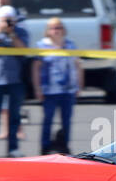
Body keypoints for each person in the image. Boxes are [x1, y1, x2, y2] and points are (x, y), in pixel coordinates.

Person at [0, 4, 28, 157]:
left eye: (10, 20)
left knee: (14, 116)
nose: (8, 23)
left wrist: (12, 33)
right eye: (5, 20)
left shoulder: (20, 32)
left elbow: (23, 51)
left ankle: (13, 148)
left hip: (15, 80)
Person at [32, 18, 81, 154]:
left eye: (59, 27)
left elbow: (77, 66)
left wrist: (79, 85)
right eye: (53, 28)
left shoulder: (70, 45)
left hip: (68, 89)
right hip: (49, 90)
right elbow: (36, 68)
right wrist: (37, 88)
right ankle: (45, 146)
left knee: (67, 119)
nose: (56, 31)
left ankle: (65, 145)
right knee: (48, 119)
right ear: (48, 31)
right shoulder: (41, 45)